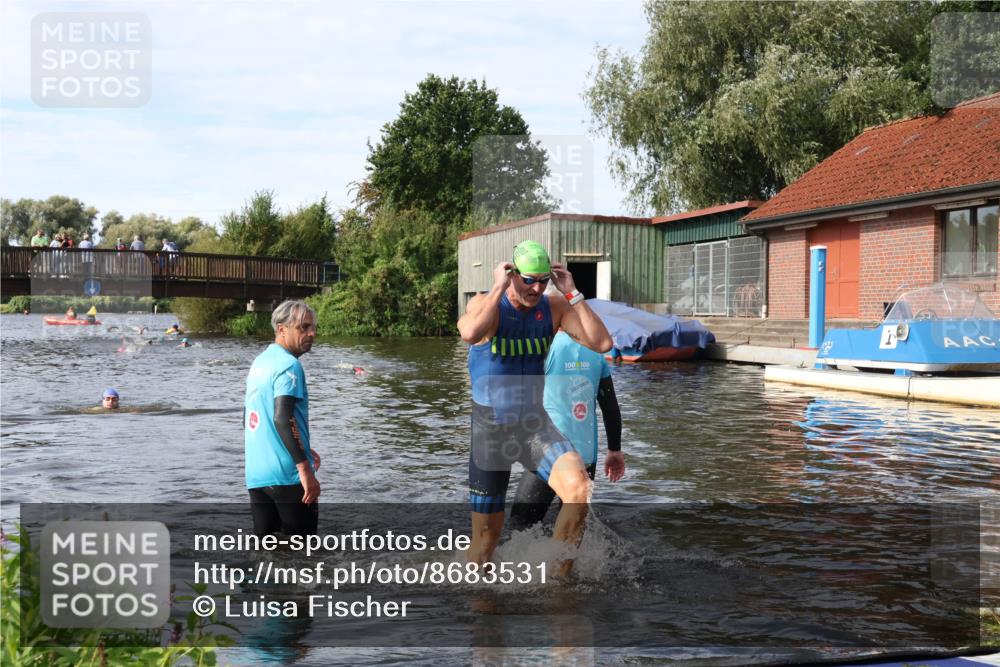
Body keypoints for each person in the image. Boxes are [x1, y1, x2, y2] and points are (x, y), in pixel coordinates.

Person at [457, 240, 612, 568]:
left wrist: (572, 292)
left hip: (533, 425)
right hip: (491, 432)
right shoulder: (486, 304)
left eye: (543, 279)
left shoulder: (553, 308)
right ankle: (479, 605)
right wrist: (498, 286)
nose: (537, 287)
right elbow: (469, 332)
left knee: (579, 489)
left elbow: (602, 343)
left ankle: (557, 583)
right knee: (485, 544)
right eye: (529, 279)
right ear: (512, 274)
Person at [509, 330, 625, 532]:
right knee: (572, 531)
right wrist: (614, 450)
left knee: (520, 527)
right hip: (585, 457)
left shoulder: (543, 347)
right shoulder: (596, 351)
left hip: (549, 451)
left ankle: (525, 564)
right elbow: (610, 408)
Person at [244, 300, 321, 537]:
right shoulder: (289, 365)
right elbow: (282, 418)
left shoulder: (260, 362)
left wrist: (303, 446)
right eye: (303, 327)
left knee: (267, 553)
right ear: (281, 329)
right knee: (303, 556)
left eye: (313, 327)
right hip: (288, 475)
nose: (312, 333)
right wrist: (304, 468)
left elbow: (250, 418)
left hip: (257, 475)